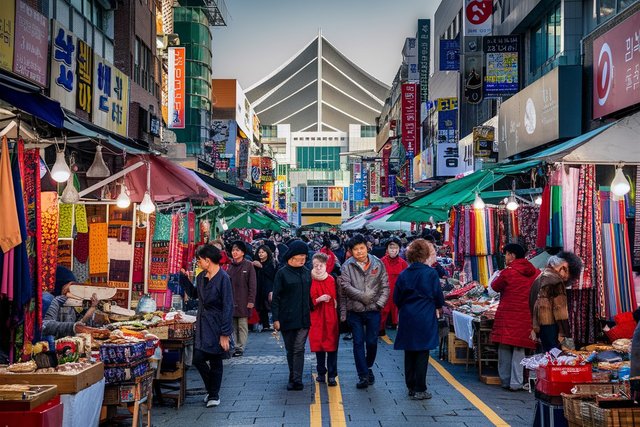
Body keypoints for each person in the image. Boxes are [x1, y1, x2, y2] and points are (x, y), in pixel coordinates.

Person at [179, 245, 233, 408]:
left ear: (207, 261)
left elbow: (228, 306)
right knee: (198, 358)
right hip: (203, 324)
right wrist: (184, 279)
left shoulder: (224, 278)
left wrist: (225, 333)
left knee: (216, 359)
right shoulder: (202, 276)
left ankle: (213, 395)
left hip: (217, 324)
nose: (198, 263)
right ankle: (211, 390)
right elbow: (195, 294)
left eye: (199, 260)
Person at [393, 238, 444, 400]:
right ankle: (420, 388)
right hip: (425, 315)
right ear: (425, 255)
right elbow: (438, 296)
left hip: (408, 315)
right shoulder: (431, 273)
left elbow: (396, 298)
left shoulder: (404, 274)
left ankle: (410, 386)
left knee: (409, 351)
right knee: (422, 351)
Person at [339, 234, 389, 389]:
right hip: (355, 310)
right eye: (356, 249)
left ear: (367, 247)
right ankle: (363, 375)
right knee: (358, 342)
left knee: (372, 342)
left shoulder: (377, 263)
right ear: (351, 251)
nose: (359, 252)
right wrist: (363, 296)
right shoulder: (347, 266)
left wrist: (379, 303)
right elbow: (345, 287)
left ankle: (367, 366)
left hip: (374, 310)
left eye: (362, 248)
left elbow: (385, 286)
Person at [490, 243, 539, 391]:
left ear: (512, 255)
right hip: (526, 316)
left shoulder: (507, 272)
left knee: (504, 347)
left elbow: (494, 287)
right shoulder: (535, 273)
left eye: (506, 254)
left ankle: (505, 380)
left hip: (507, 315)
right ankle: (516, 383)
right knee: (520, 349)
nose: (505, 257)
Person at [271, 240, 313, 391]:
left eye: (305, 256)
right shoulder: (282, 273)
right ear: (292, 256)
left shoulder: (307, 272)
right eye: (300, 256)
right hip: (286, 318)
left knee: (299, 348)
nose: (303, 259)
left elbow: (309, 295)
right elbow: (276, 297)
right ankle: (292, 376)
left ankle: (297, 379)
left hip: (303, 317)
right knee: (291, 349)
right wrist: (275, 319)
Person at [529, 251, 583, 352]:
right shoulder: (556, 281)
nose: (567, 278)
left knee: (547, 360)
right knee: (558, 361)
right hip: (552, 330)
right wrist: (567, 340)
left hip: (541, 330)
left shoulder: (539, 278)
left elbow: (532, 304)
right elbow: (561, 314)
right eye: (568, 273)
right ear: (564, 267)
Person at [309, 252, 339, 387]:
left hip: (330, 315)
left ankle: (332, 375)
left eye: (321, 265)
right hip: (316, 316)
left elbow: (336, 298)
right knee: (319, 345)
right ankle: (321, 372)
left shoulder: (332, 279)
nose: (318, 268)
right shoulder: (310, 279)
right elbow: (308, 300)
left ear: (326, 265)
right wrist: (319, 299)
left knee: (332, 345)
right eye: (315, 265)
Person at [226, 241, 257, 357]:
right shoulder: (230, 266)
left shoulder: (248, 265)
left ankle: (240, 347)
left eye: (237, 250)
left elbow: (253, 285)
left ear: (243, 252)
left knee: (242, 325)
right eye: (233, 250)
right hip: (231, 300)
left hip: (244, 300)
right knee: (233, 325)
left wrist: (251, 301)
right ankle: (234, 345)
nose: (234, 252)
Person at [380, 237, 408, 334]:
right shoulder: (381, 261)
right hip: (384, 290)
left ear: (399, 249)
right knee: (383, 310)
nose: (393, 250)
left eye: (395, 248)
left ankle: (396, 324)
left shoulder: (403, 263)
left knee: (397, 309)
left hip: (398, 291)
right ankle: (380, 328)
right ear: (387, 249)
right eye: (391, 248)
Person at [253, 244, 277, 331]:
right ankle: (265, 325)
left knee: (271, 306)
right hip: (259, 287)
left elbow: (272, 275)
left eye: (263, 252)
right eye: (259, 252)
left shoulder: (272, 263)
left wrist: (261, 267)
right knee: (262, 307)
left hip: (269, 287)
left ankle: (276, 323)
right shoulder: (255, 263)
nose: (260, 254)